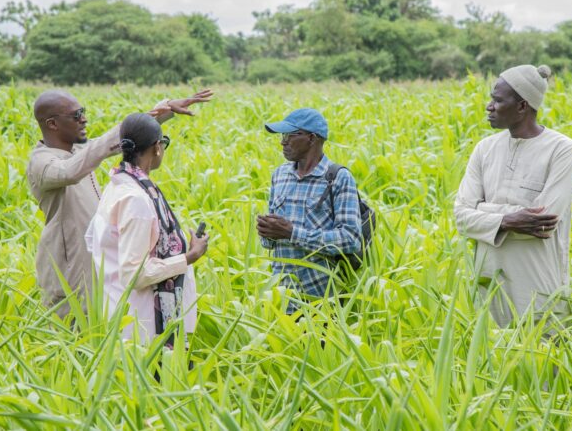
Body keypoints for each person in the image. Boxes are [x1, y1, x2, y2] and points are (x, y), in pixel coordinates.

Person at [27, 89, 212, 317]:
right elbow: (72, 169)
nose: (84, 119)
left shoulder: (79, 150)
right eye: (76, 115)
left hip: (97, 260)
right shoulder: (42, 163)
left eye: (83, 112)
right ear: (53, 124)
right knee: (76, 334)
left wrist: (161, 113)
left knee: (102, 328)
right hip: (68, 264)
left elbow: (118, 143)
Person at [453, 64, 572, 328]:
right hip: (489, 289)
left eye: (497, 100)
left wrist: (484, 211)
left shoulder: (561, 149)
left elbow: (543, 222)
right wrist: (510, 219)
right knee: (492, 363)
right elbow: (461, 218)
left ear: (522, 106)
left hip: (538, 289)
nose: (489, 106)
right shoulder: (484, 149)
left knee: (543, 363)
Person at [85, 113, 209, 346]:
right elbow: (135, 274)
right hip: (144, 326)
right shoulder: (137, 199)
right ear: (157, 148)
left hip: (119, 308)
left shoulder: (117, 185)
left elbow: (93, 241)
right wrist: (189, 257)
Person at [257, 108, 362, 313]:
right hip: (281, 297)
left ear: (311, 139)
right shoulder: (280, 175)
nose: (282, 142)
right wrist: (267, 232)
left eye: (289, 135)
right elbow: (270, 243)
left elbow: (350, 238)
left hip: (321, 299)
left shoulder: (338, 178)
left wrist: (292, 233)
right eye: (282, 136)